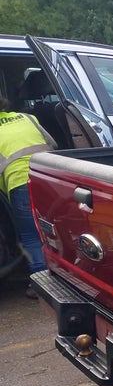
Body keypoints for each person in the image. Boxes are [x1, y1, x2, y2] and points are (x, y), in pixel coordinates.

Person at [0, 93, 57, 298]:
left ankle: (43, 285)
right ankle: (67, 278)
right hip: (49, 178)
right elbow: (53, 144)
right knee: (53, 228)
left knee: (31, 235)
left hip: (20, 184)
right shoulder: (28, 118)